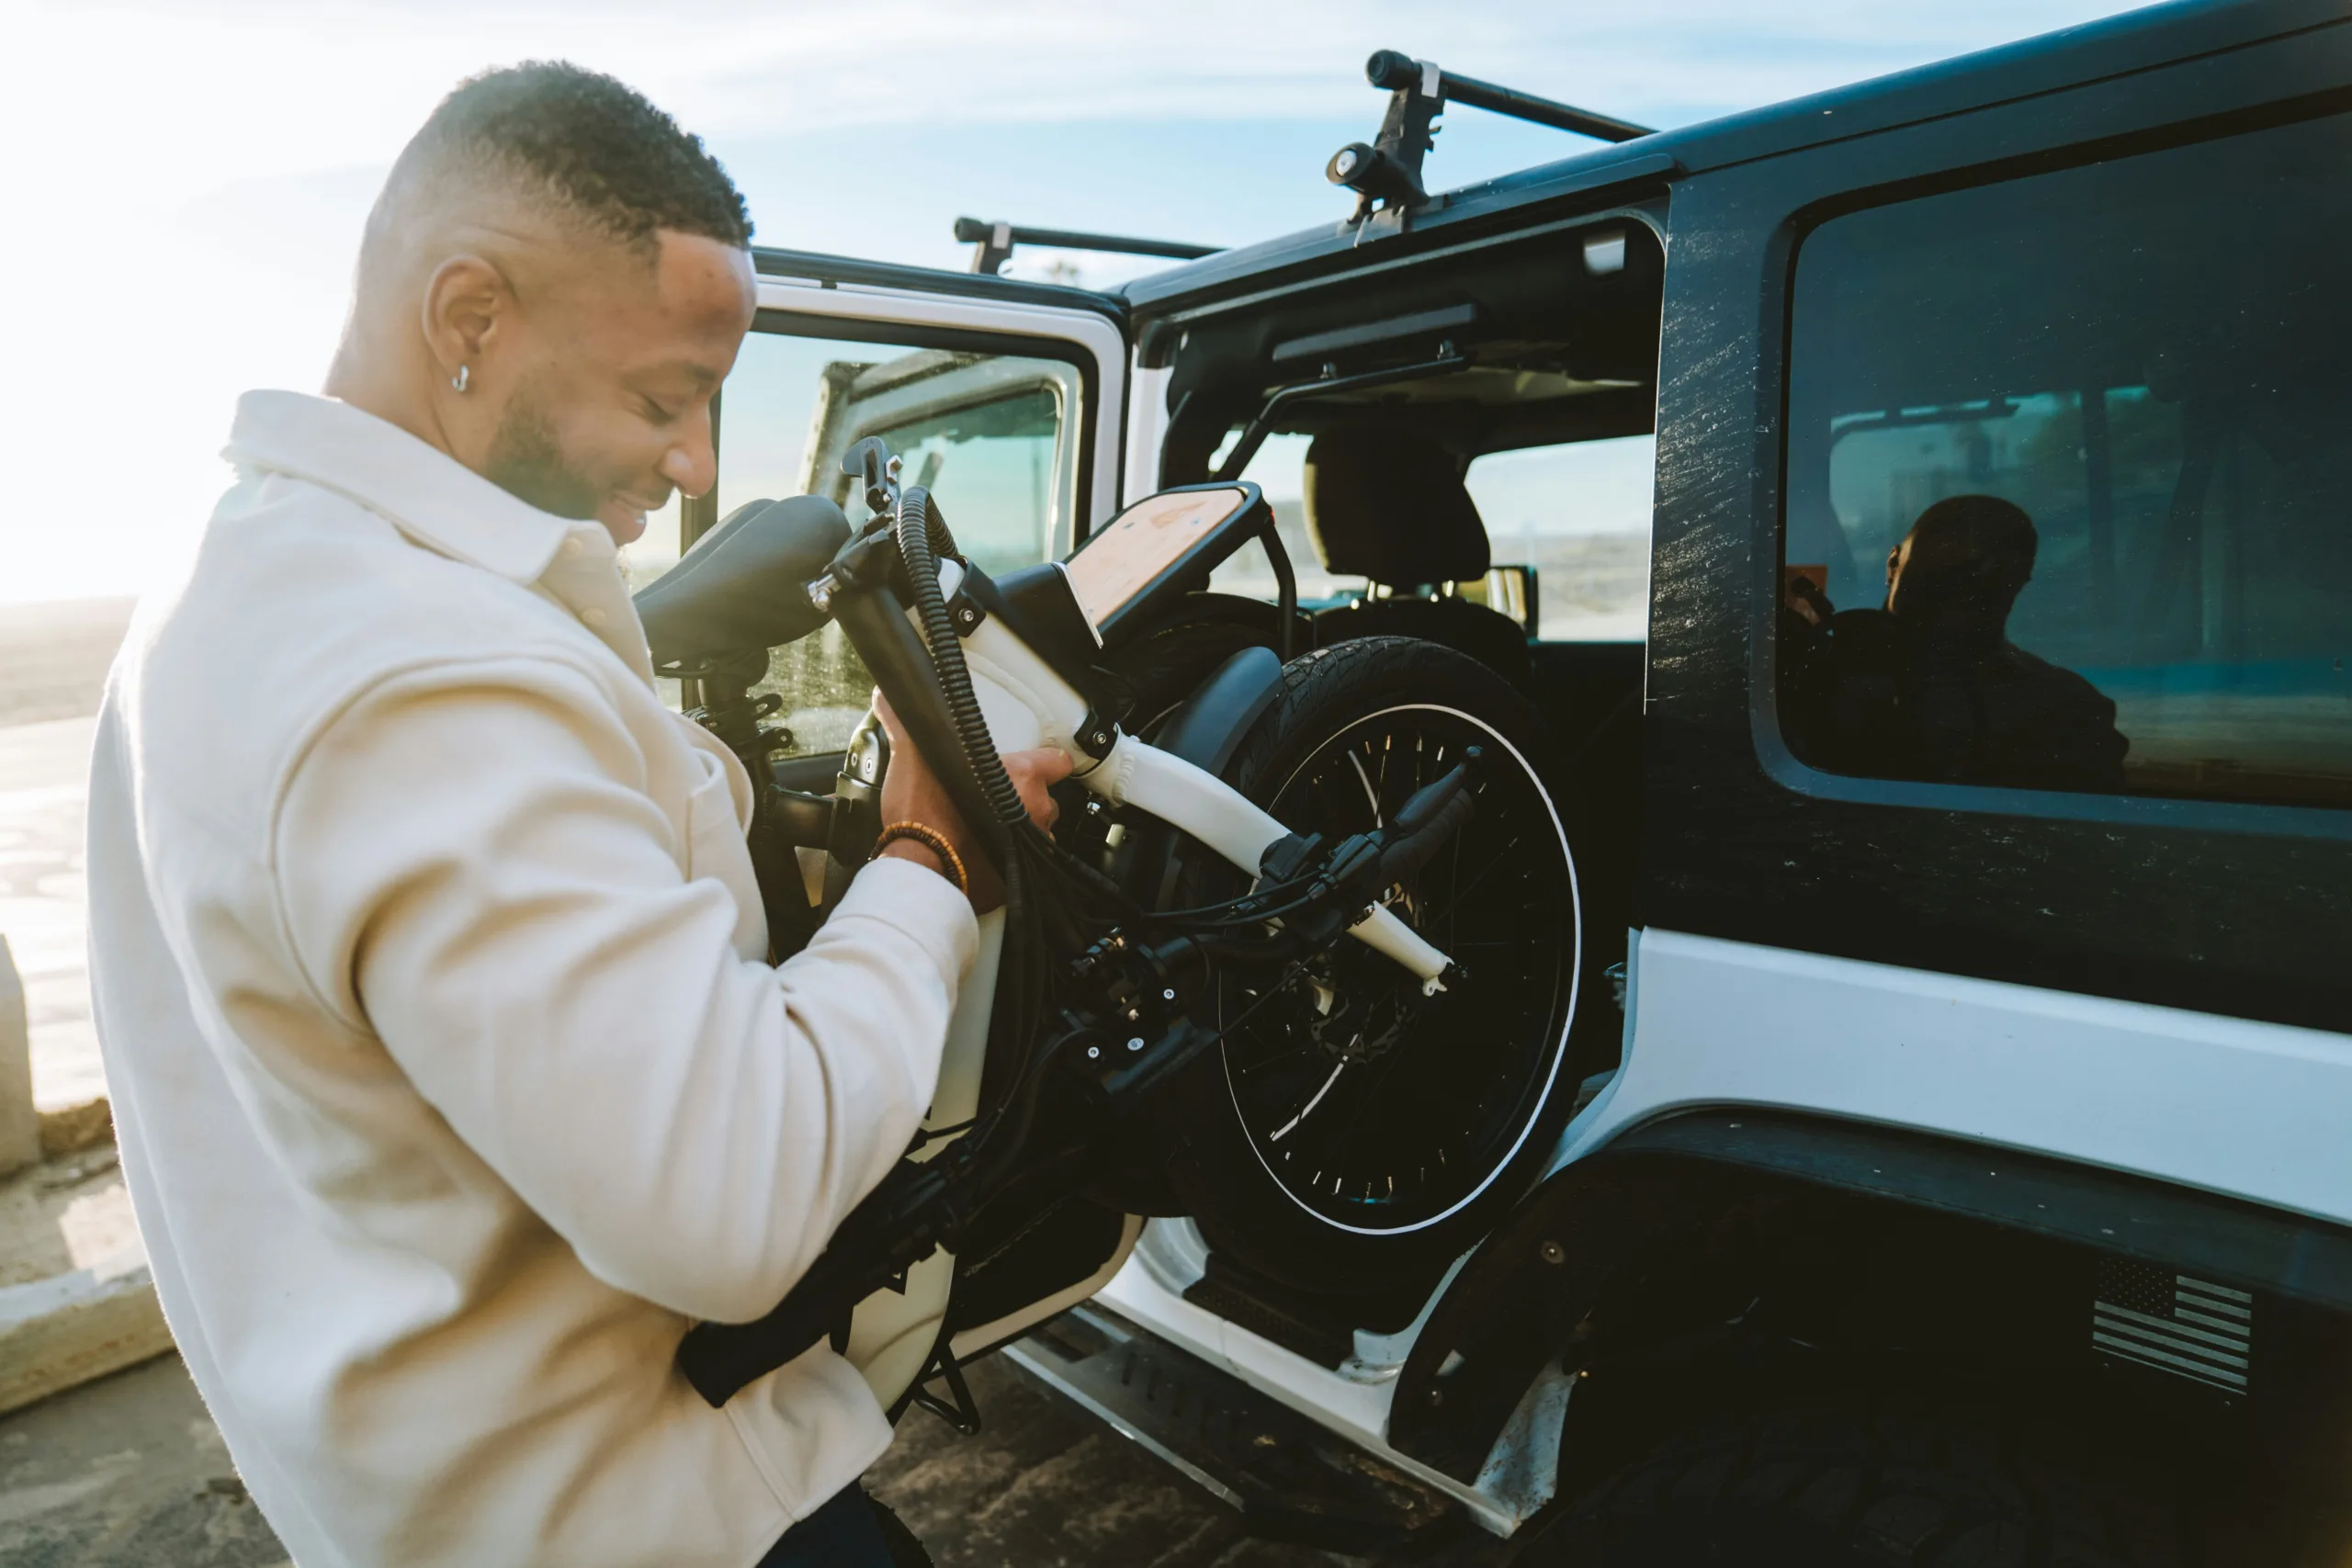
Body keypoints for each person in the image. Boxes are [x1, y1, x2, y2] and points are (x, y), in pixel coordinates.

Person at [83, 62, 1068, 1568]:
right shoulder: (424, 672)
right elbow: (733, 1206)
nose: (697, 465)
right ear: (470, 320)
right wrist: (934, 852)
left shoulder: (226, 595)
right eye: (664, 398)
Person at [1783, 494, 2127, 792]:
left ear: (2018, 581)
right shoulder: (1805, 663)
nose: (1960, 592)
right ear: (1892, 564)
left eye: (1983, 580)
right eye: (1940, 579)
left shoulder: (2067, 705)